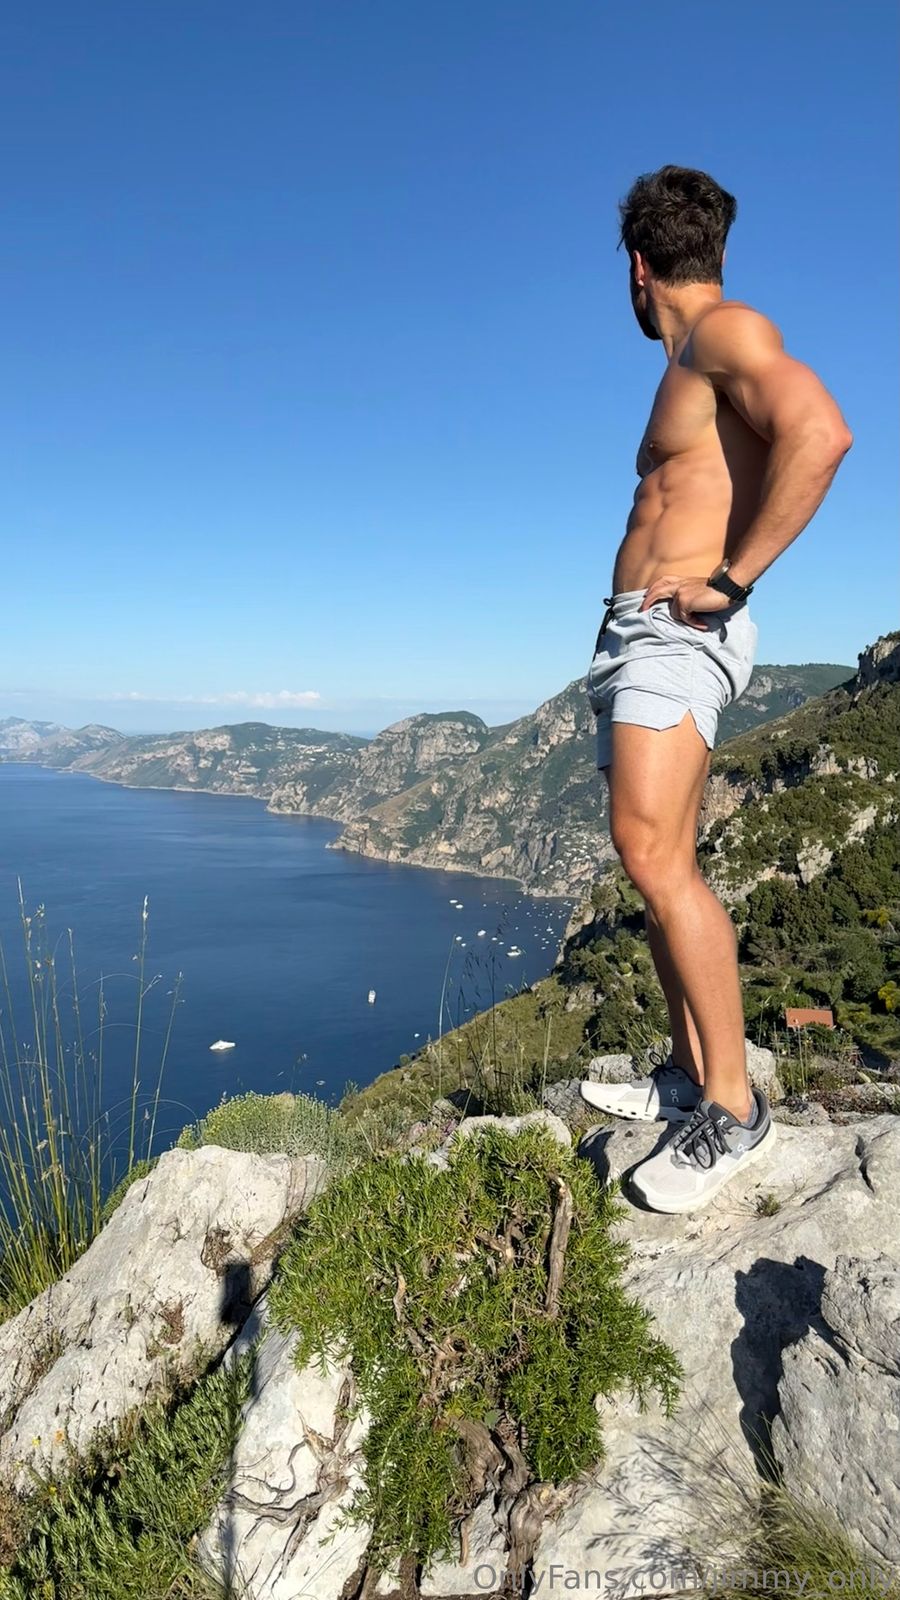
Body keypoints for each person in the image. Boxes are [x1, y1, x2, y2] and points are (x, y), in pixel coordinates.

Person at [580, 165, 852, 1214]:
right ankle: (692, 1074)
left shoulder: (725, 334)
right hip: (637, 632)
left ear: (638, 268)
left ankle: (735, 1109)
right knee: (660, 862)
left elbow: (822, 433)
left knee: (651, 854)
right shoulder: (693, 360)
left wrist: (731, 580)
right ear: (716, 250)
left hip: (676, 633)